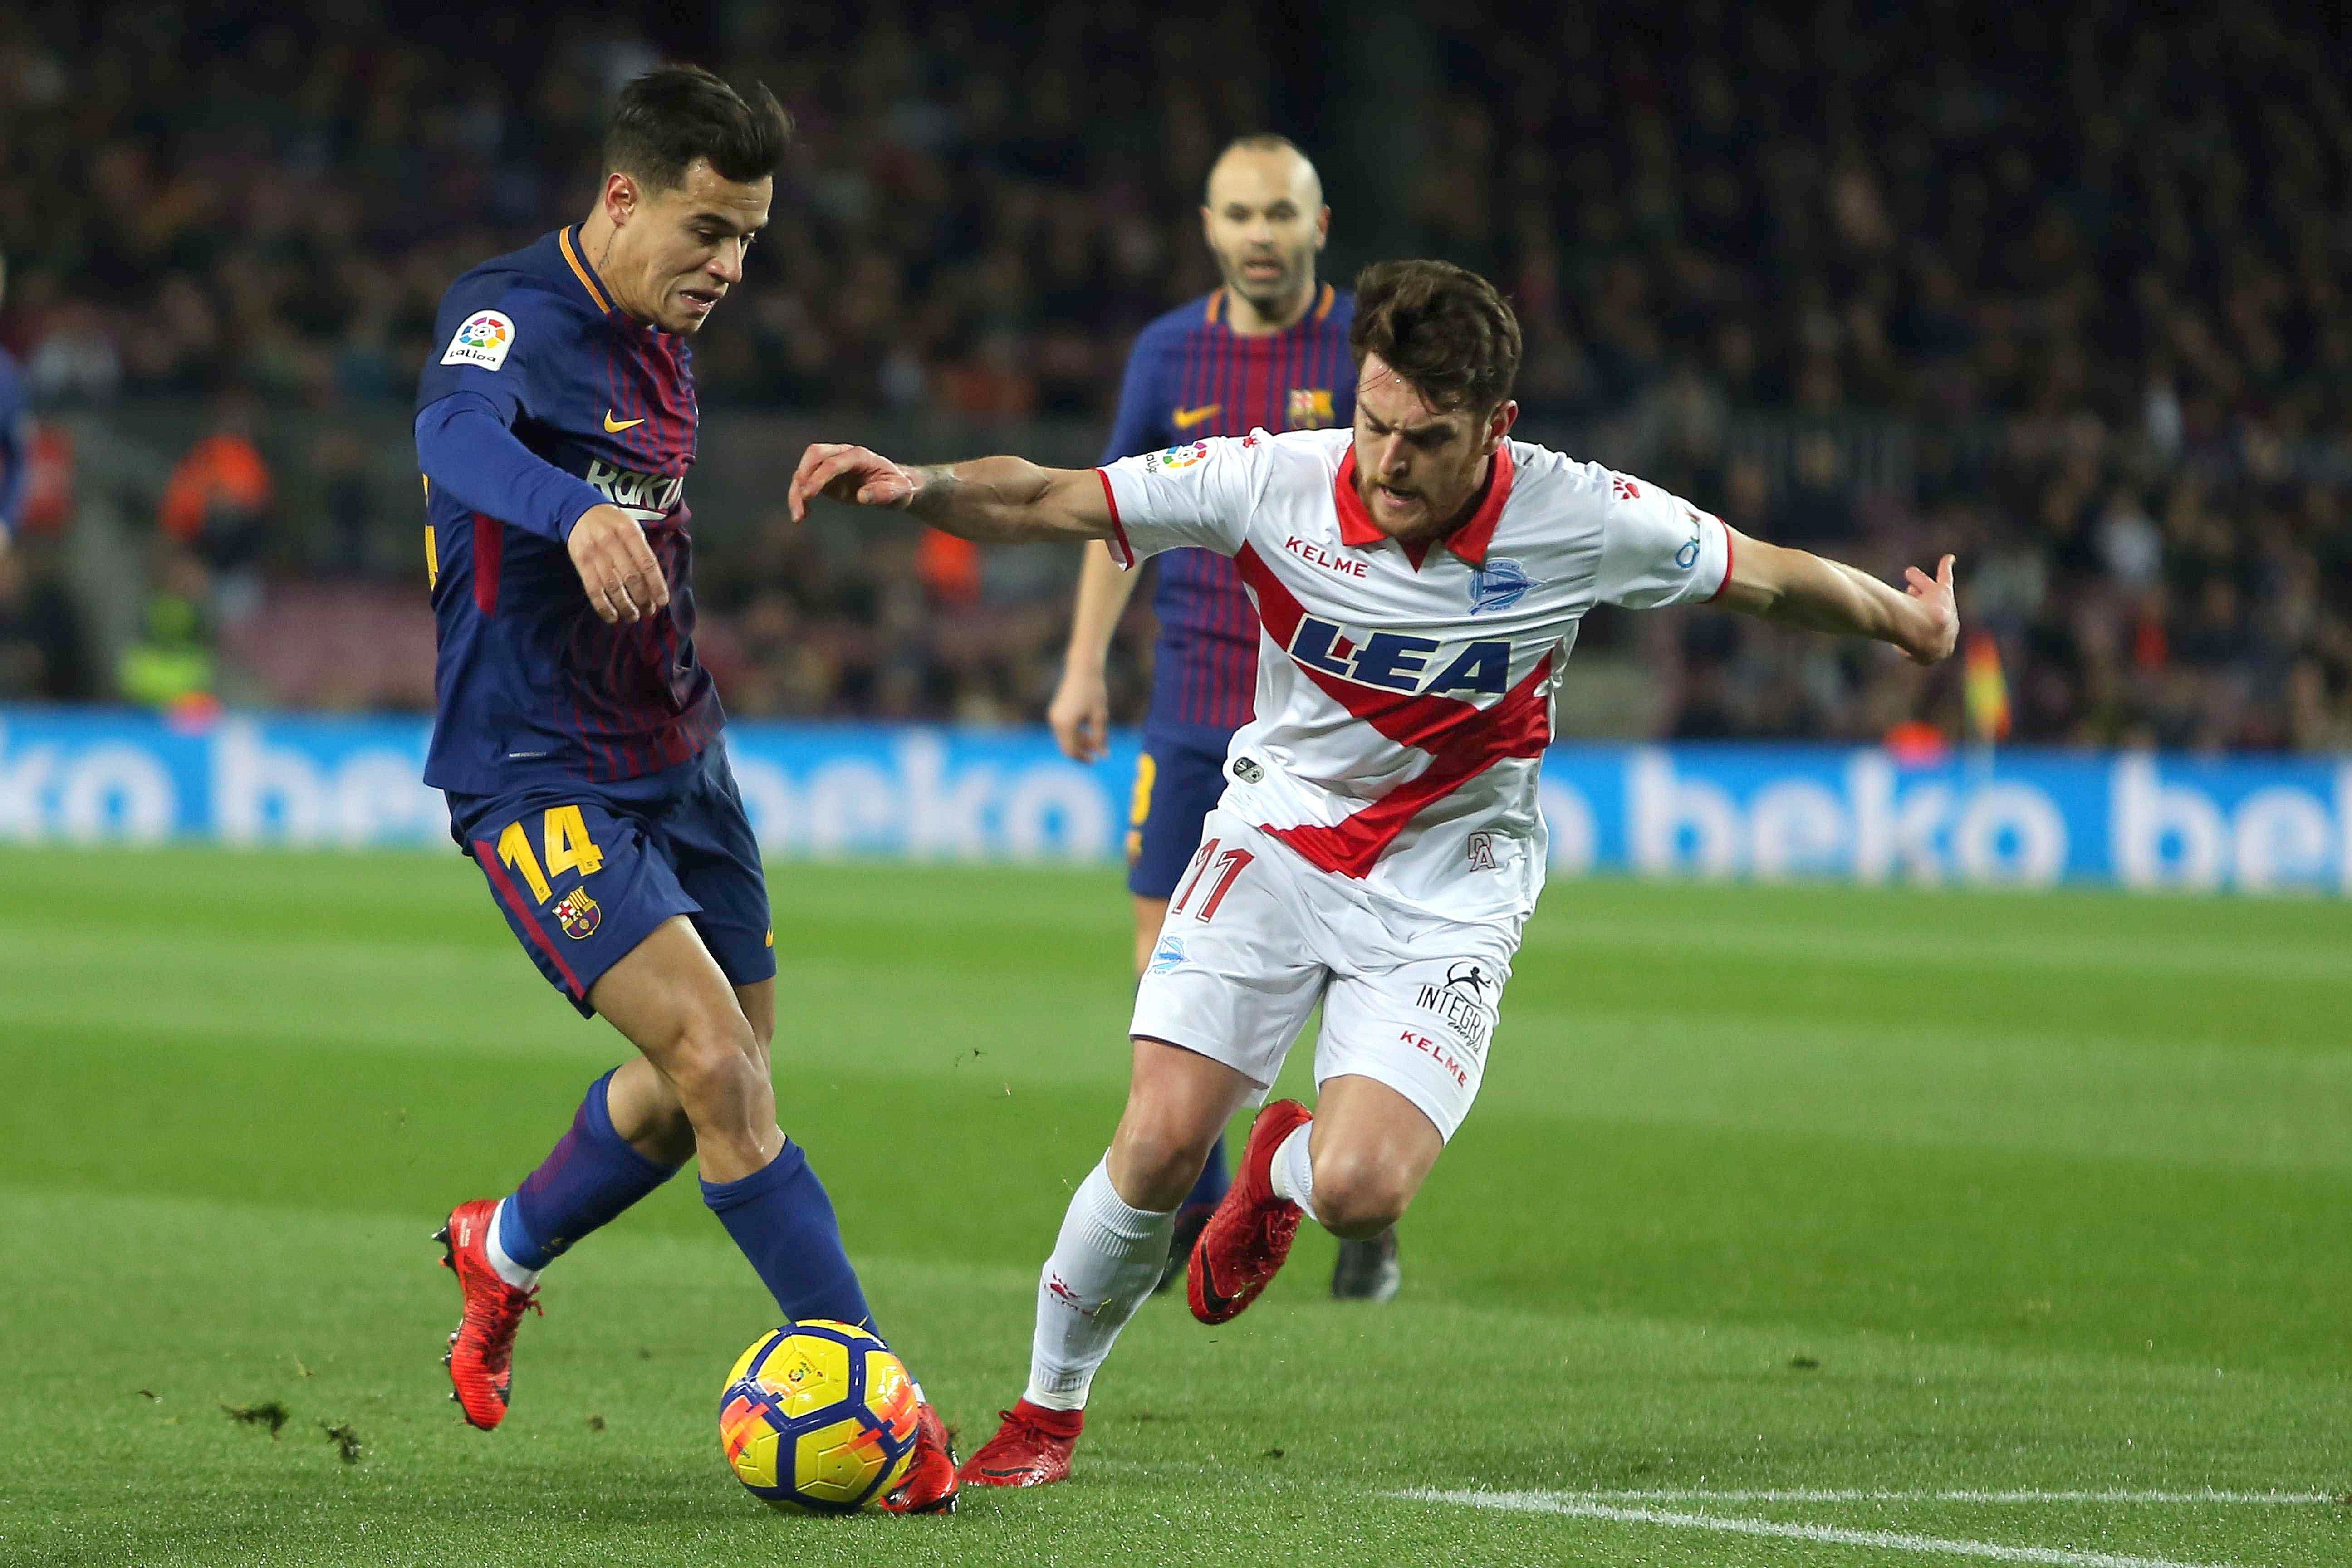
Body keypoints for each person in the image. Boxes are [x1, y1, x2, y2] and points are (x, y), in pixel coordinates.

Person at [789, 258, 1960, 1488]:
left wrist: (1907, 622)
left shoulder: (1583, 515)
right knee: (1154, 1146)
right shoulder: (1270, 478)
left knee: (1358, 1190)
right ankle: (1045, 1417)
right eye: (1376, 421)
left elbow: (1768, 576)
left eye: (1428, 439)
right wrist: (919, 484)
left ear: (1496, 432)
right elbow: (1047, 502)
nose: (1389, 460)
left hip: (1455, 880)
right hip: (1277, 840)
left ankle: (1281, 1170)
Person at [412, 66, 956, 1511]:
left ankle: (505, 1248)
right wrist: (572, 506)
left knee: (712, 1087)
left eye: (750, 242)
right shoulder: (510, 316)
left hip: (679, 757)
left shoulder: (666, 342)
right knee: (719, 1072)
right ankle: (880, 1401)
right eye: (707, 231)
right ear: (621, 198)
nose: (726, 267)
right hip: (536, 775)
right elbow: (453, 441)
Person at [1047, 134, 1401, 1300]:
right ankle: (1201, 1214)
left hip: (1332, 721)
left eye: (1279, 215)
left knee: (1355, 963)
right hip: (1193, 709)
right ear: (1208, 226)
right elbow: (1117, 513)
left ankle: (1350, 1192)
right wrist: (1085, 664)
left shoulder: (1368, 352)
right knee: (1166, 971)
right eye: (1239, 214)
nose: (1260, 235)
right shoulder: (1167, 352)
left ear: (1319, 224)